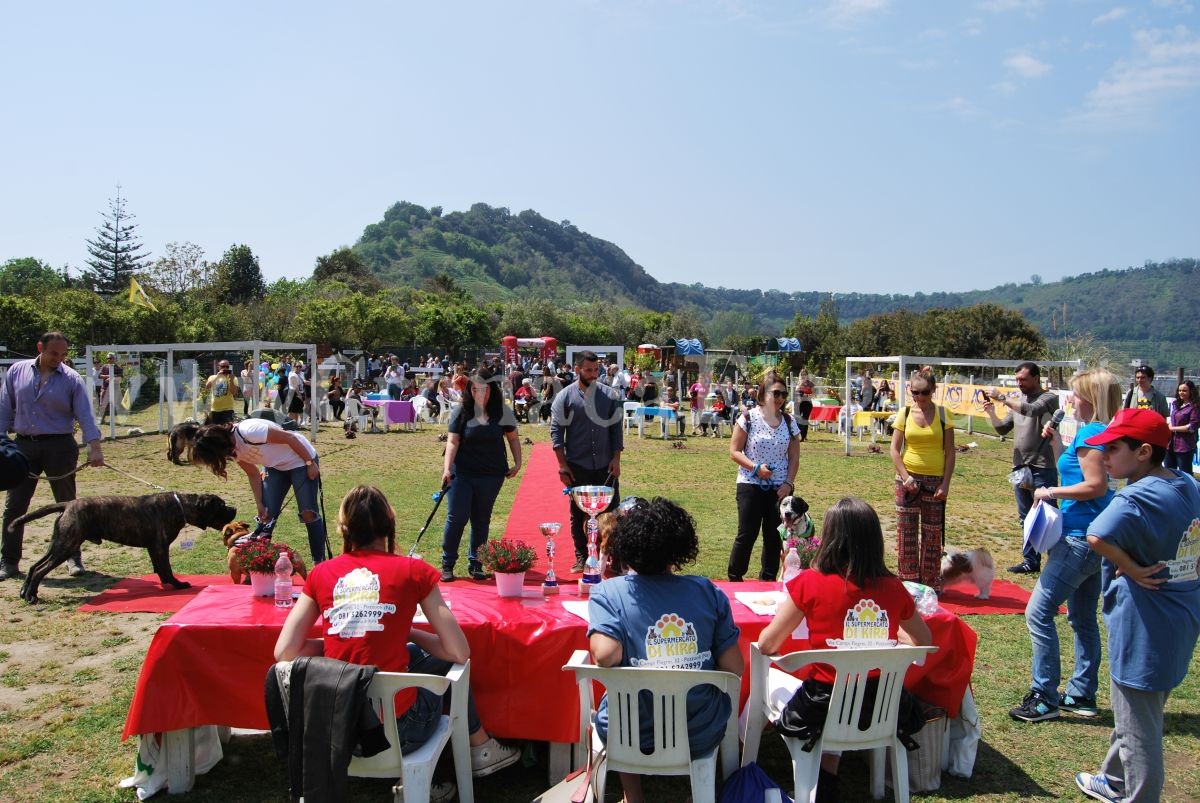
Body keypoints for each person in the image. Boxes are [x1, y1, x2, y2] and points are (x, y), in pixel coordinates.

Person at [274, 485, 520, 801]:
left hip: (337, 726)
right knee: (436, 665)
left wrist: (341, 641)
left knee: (416, 656)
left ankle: (446, 768)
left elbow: (285, 652)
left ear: (345, 529)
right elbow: (459, 651)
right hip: (400, 730)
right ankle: (477, 748)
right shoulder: (413, 571)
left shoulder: (321, 573)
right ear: (389, 526)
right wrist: (409, 631)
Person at [758, 497, 933, 803]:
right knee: (844, 684)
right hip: (882, 705)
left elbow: (767, 644)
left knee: (775, 681)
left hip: (823, 706)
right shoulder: (894, 588)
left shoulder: (810, 583)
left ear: (830, 537)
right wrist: (885, 636)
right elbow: (923, 640)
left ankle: (744, 761)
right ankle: (827, 777)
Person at [1073, 409, 1200, 803]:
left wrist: (1130, 568)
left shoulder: (1134, 496)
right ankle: (1113, 780)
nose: (1103, 457)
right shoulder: (1186, 483)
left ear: (1144, 451)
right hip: (1179, 618)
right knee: (1137, 713)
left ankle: (1138, 796)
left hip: (1143, 624)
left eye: (1112, 449)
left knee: (1139, 729)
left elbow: (1096, 535)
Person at [587, 497, 743, 803]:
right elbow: (734, 667)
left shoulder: (608, 592)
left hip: (628, 730)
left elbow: (605, 655)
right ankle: (698, 790)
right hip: (699, 728)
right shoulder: (707, 591)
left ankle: (634, 796)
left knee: (621, 707)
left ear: (626, 548)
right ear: (679, 549)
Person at [1010, 368, 1120, 724]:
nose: (1069, 399)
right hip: (1094, 538)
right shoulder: (1100, 433)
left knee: (1038, 613)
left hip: (1077, 538)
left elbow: (1096, 486)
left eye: (1075, 394)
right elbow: (1075, 471)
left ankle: (1044, 695)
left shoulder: (1091, 432)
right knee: (1082, 617)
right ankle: (1081, 693)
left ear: (1090, 398)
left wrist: (1050, 492)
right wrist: (1056, 442)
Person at [0, 332, 105, 580]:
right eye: (53, 353)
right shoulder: (17, 371)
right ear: (40, 348)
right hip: (23, 447)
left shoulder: (72, 379)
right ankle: (9, 561)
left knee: (68, 506)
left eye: (63, 355)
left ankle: (72, 557)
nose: (59, 358)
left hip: (60, 446)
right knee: (15, 506)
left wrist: (94, 445)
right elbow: (4, 406)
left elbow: (85, 415)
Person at [190, 418, 328, 564]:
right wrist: (259, 504)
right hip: (275, 467)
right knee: (266, 516)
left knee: (308, 513)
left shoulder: (249, 431)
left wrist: (310, 463)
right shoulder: (232, 451)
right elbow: (253, 474)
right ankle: (258, 566)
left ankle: (319, 563)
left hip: (300, 459)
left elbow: (290, 438)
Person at [439, 371, 521, 582]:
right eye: (475, 389)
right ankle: (447, 564)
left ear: (491, 390)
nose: (479, 393)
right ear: (469, 390)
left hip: (491, 474)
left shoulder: (502, 411)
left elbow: (512, 438)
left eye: (484, 388)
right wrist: (447, 469)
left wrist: (518, 462)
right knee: (457, 517)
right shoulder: (462, 411)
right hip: (462, 473)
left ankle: (476, 563)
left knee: (481, 519)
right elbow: (453, 441)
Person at [982, 362, 1060, 574]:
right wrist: (991, 413)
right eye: (1017, 380)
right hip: (1020, 466)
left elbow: (1033, 410)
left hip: (1042, 467)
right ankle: (1030, 561)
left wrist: (1001, 398)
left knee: (1047, 516)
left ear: (1037, 378)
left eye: (1023, 380)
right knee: (1025, 516)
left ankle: (1056, 561)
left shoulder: (1048, 398)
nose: (1020, 384)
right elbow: (1003, 428)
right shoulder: (1018, 401)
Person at [550, 351, 624, 573]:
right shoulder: (564, 397)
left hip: (605, 466)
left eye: (596, 370)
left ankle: (615, 558)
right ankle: (582, 557)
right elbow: (556, 433)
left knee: (613, 513)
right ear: (577, 370)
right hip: (577, 467)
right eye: (589, 370)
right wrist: (562, 465)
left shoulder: (610, 396)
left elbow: (615, 430)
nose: (594, 374)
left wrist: (616, 459)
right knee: (578, 514)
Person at [727, 375, 800, 581]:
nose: (780, 398)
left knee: (774, 536)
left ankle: (767, 580)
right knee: (747, 534)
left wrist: (788, 483)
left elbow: (794, 457)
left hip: (780, 489)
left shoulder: (789, 421)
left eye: (783, 394)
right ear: (762, 394)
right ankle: (735, 578)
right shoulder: (748, 418)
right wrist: (756, 468)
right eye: (775, 393)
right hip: (750, 485)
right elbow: (734, 451)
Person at [889, 367, 955, 593]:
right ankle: (907, 583)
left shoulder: (944, 414)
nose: (919, 397)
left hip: (935, 481)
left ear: (933, 391)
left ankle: (929, 582)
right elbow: (894, 450)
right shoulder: (904, 413)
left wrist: (945, 484)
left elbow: (950, 452)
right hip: (907, 481)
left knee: (932, 533)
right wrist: (906, 478)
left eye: (924, 392)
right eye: (914, 392)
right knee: (906, 532)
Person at [1166, 380, 1199, 474]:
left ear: (1191, 392)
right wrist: (1170, 425)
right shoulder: (1176, 404)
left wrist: (1172, 428)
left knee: (1185, 474)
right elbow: (1172, 420)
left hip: (1185, 446)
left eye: (1184, 390)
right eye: (1180, 390)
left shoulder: (1195, 407)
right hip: (1170, 444)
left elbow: (1192, 427)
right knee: (1169, 473)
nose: (1181, 392)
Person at [204, 360, 239, 425]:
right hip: (214, 409)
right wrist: (217, 376)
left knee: (227, 430)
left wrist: (231, 380)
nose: (225, 368)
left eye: (227, 367)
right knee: (214, 430)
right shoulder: (212, 377)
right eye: (223, 366)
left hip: (228, 409)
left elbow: (234, 393)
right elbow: (207, 387)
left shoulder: (233, 378)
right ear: (218, 367)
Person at [97, 352, 124, 424]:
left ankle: (113, 420)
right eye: (107, 358)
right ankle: (101, 419)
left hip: (115, 388)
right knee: (103, 403)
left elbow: (120, 377)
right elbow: (99, 376)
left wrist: (113, 378)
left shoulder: (118, 367)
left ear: (114, 358)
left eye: (110, 358)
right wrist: (109, 376)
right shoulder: (104, 366)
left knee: (113, 404)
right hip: (105, 388)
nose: (108, 359)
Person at [794, 370, 814, 442]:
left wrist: (807, 395)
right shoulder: (798, 382)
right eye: (802, 374)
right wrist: (801, 383)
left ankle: (803, 436)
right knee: (797, 419)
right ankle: (796, 434)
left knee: (805, 419)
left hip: (807, 403)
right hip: (798, 403)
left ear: (807, 375)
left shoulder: (810, 384)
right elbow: (796, 390)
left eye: (805, 374)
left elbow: (814, 394)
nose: (803, 376)